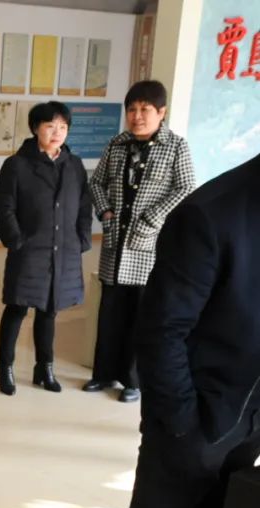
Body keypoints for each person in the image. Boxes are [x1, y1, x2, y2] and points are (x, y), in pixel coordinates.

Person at [103, 153, 260, 508]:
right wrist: (182, 425)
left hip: (249, 416)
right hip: (191, 417)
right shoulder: (211, 214)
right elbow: (161, 331)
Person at [84, 80, 195, 403]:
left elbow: (186, 187)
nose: (137, 116)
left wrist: (153, 219)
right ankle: (103, 373)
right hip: (115, 242)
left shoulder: (176, 146)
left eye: (145, 109)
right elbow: (96, 182)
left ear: (161, 112)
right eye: (132, 109)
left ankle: (132, 380)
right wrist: (104, 210)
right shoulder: (117, 144)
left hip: (148, 245)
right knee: (110, 312)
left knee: (141, 314)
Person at [0, 101, 92, 396]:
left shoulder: (74, 165)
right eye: (50, 126)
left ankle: (44, 368)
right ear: (36, 128)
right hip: (30, 248)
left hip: (64, 249)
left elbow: (84, 206)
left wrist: (83, 238)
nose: (57, 132)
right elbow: (4, 206)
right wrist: (16, 239)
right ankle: (5, 367)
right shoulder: (17, 165)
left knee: (50, 310)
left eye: (63, 127)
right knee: (17, 307)